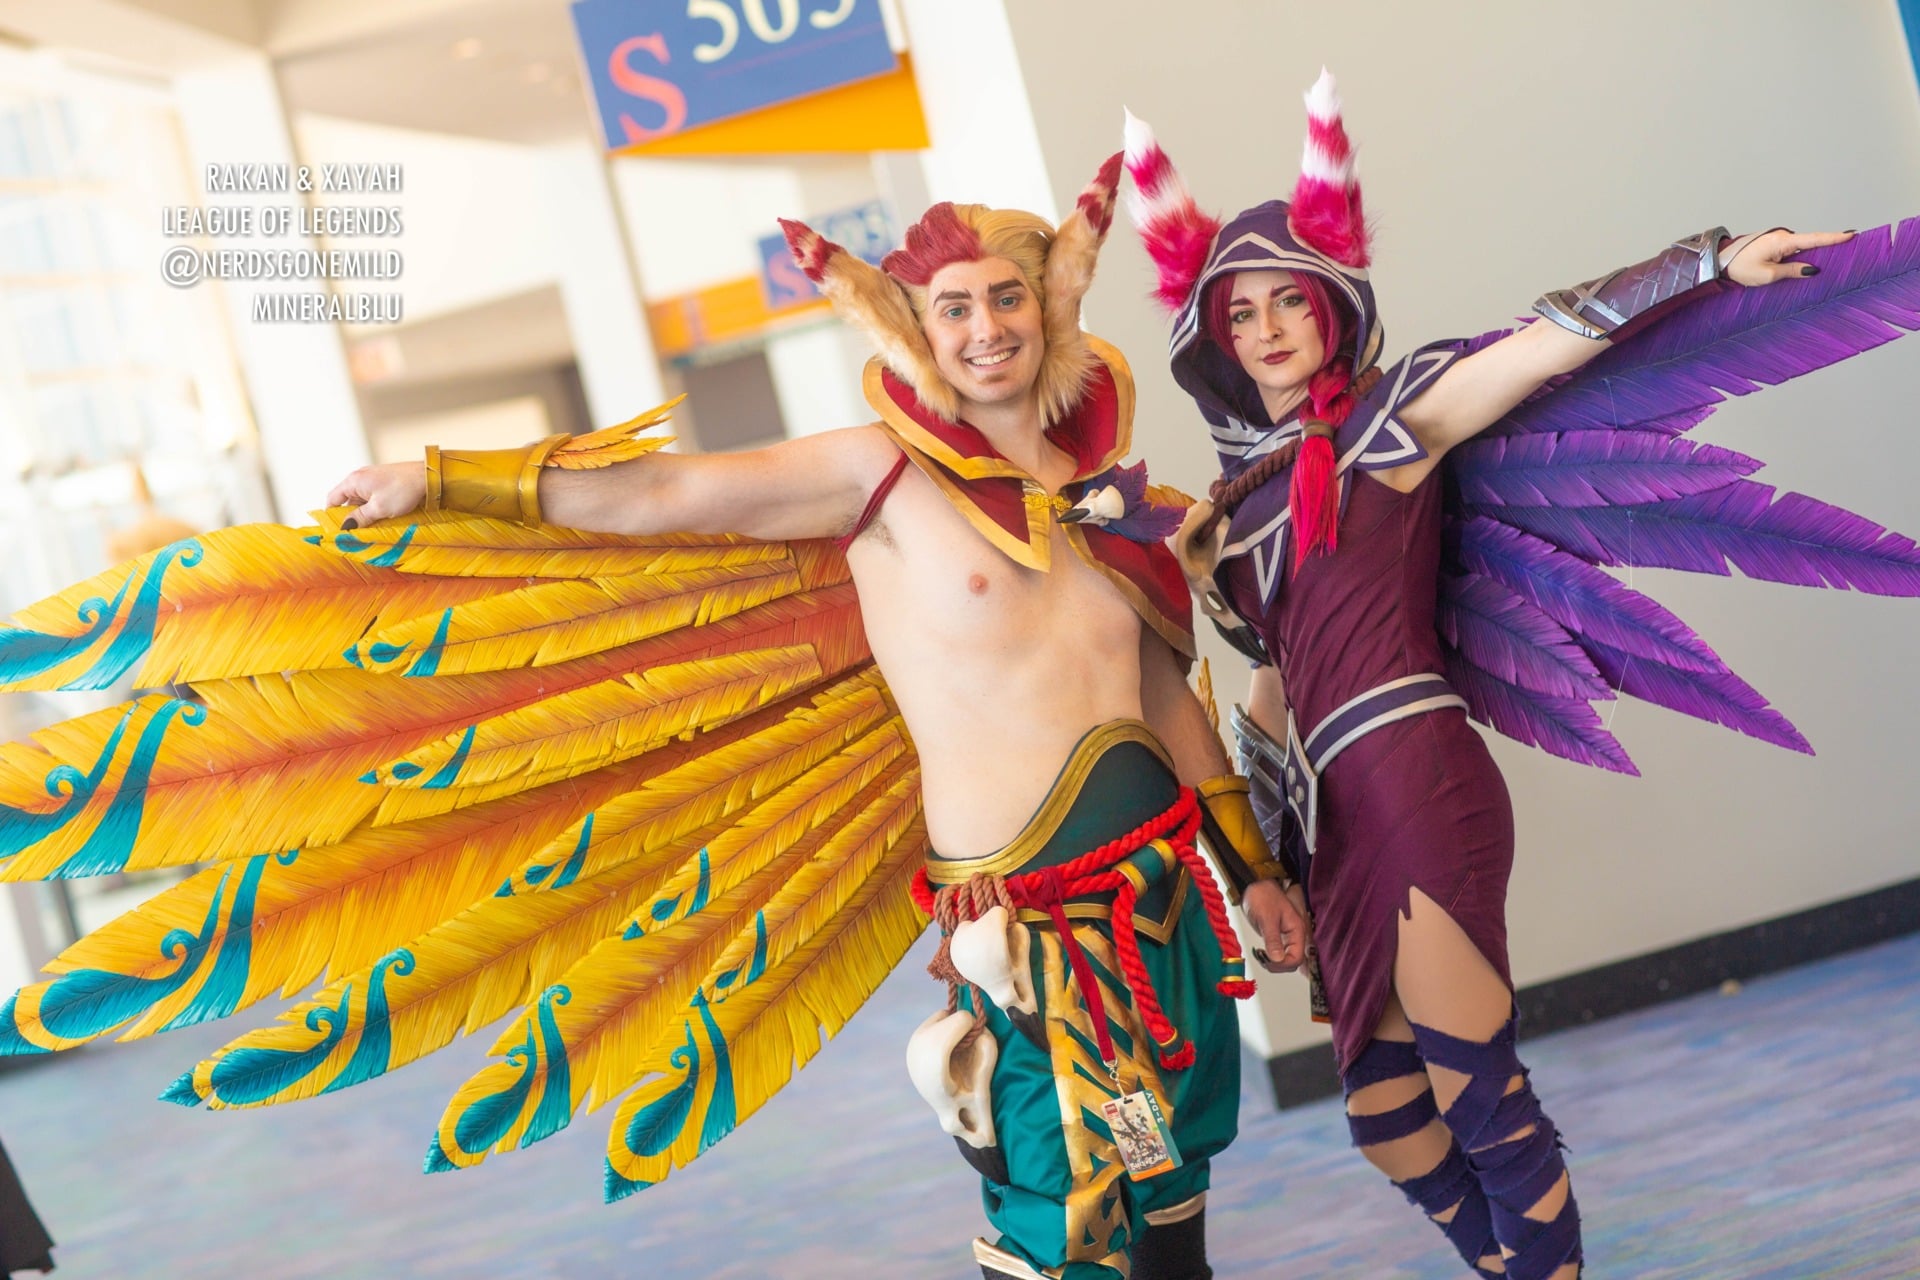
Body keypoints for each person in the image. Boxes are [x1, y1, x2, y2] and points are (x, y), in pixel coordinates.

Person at [0, 159, 1305, 1280]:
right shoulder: (880, 475)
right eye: (952, 307)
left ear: (1051, 305)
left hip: (1161, 899)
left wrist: (1251, 872)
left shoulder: (1118, 502)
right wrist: (442, 477)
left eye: (1006, 297)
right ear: (913, 326)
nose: (984, 330)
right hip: (1028, 929)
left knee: (1175, 1187)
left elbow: (1163, 703)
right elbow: (662, 498)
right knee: (1067, 1218)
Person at [1125, 70, 1910, 1280]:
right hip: (1337, 811)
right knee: (1388, 1120)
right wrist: (1263, 865)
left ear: (1334, 305)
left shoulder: (1397, 417)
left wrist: (1712, 261)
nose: (1270, 327)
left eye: (1291, 299)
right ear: (1214, 341)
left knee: (1474, 1083)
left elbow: (1549, 341)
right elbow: (1278, 683)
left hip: (1416, 765)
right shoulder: (1234, 509)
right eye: (1241, 313)